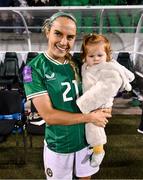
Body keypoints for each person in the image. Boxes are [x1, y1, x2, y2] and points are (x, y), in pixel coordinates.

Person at [23, 12, 112, 180]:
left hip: (86, 140)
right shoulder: (32, 69)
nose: (64, 42)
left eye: (70, 37)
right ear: (48, 31)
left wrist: (106, 104)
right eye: (58, 33)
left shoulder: (79, 63)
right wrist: (90, 117)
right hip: (60, 144)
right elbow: (49, 116)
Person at [76, 33, 135, 167]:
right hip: (93, 101)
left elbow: (104, 89)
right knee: (89, 125)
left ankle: (98, 150)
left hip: (99, 103)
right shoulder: (87, 66)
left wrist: (82, 104)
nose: (96, 59)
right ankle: (92, 147)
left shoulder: (110, 70)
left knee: (93, 126)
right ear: (85, 57)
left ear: (107, 55)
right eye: (91, 56)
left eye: (100, 55)